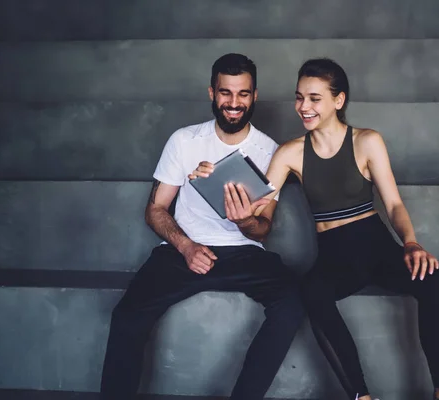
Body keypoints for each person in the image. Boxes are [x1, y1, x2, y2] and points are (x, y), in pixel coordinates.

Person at [192, 58, 439, 400]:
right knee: (311, 291)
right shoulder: (289, 153)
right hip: (334, 256)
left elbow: (393, 205)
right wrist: (216, 182)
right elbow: (259, 216)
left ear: (339, 100)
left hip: (376, 245)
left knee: (432, 278)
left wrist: (410, 243)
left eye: (314, 98)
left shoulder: (367, 141)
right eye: (299, 97)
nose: (303, 107)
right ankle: (361, 397)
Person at [99, 53, 304, 400]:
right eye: (226, 93)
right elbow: (156, 209)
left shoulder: (270, 150)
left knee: (292, 304)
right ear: (212, 93)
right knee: (127, 317)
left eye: (243, 94)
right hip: (183, 251)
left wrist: (244, 221)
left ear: (254, 95)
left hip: (244, 254)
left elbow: (263, 228)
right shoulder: (184, 141)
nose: (234, 103)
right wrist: (185, 246)